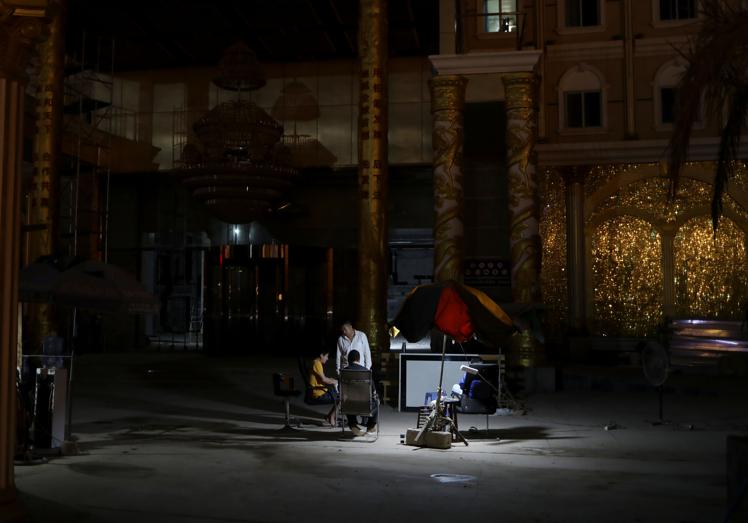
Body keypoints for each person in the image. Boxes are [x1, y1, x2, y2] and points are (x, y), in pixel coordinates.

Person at [342, 349, 378, 436]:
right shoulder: (366, 371)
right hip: (365, 405)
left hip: (349, 406)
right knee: (376, 401)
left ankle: (353, 424)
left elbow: (341, 390)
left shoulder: (344, 372)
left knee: (347, 400)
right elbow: (373, 390)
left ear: (349, 360)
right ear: (359, 359)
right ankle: (371, 425)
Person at [307, 350, 338, 426]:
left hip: (320, 390)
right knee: (343, 399)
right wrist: (334, 382)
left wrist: (331, 380)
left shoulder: (317, 363)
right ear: (321, 355)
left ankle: (330, 416)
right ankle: (332, 416)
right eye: (326, 356)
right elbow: (324, 379)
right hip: (319, 393)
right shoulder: (317, 364)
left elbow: (323, 378)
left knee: (340, 395)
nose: (327, 358)